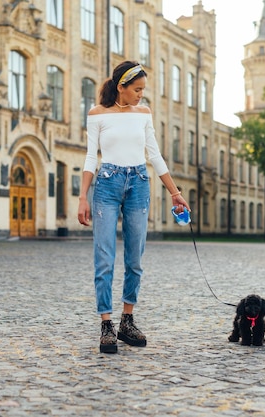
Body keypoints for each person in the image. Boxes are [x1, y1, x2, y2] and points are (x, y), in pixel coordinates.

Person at [78, 61, 190, 354]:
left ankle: (127, 320)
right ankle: (106, 324)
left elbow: (154, 154)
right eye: (137, 89)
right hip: (107, 183)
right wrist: (82, 197)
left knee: (135, 257)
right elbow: (91, 157)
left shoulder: (143, 114)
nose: (141, 95)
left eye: (143, 90)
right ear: (121, 87)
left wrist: (175, 193)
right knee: (104, 257)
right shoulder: (97, 114)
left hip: (139, 182)